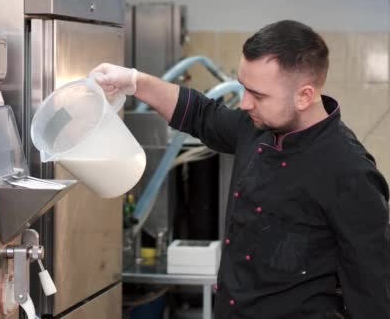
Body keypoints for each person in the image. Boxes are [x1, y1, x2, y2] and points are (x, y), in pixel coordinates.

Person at [90, 20, 390, 318]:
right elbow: (200, 114)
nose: (245, 103)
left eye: (258, 95)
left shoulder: (351, 172)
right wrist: (134, 82)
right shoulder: (257, 126)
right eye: (244, 88)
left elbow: (373, 296)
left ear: (304, 96)